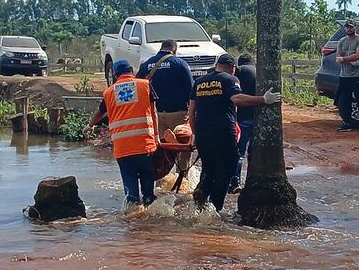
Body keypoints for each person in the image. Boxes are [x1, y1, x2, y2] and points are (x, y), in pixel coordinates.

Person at [189, 54, 281, 213]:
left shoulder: (199, 82)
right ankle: (215, 209)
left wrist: (196, 134)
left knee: (209, 167)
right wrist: (263, 100)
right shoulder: (230, 80)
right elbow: (237, 99)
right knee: (228, 167)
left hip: (203, 133)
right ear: (232, 68)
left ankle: (203, 191)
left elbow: (191, 111)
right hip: (223, 132)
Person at [85, 59, 160, 206]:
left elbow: (99, 113)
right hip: (145, 145)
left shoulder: (109, 92)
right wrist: (157, 137)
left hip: (123, 149)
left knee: (131, 195)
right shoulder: (145, 85)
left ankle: (131, 222)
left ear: (114, 74)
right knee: (148, 193)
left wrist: (90, 125)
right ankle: (149, 221)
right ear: (131, 70)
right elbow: (154, 112)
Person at [136, 39, 194, 176]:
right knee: (183, 148)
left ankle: (161, 181)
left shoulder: (147, 65)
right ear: (174, 50)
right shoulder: (180, 64)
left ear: (160, 49)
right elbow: (191, 91)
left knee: (160, 149)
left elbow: (137, 85)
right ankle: (183, 178)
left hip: (155, 115)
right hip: (179, 114)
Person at [335, 19, 359, 132]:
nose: (349, 29)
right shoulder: (341, 41)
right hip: (344, 75)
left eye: (351, 27)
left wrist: (344, 59)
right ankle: (346, 122)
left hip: (357, 75)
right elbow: (338, 57)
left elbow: (358, 56)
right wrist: (349, 60)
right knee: (345, 100)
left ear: (355, 28)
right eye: (347, 27)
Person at [230, 53, 256, 194]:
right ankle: (252, 181)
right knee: (253, 153)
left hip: (242, 118)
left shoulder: (239, 71)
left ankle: (235, 182)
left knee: (239, 153)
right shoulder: (257, 71)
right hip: (257, 118)